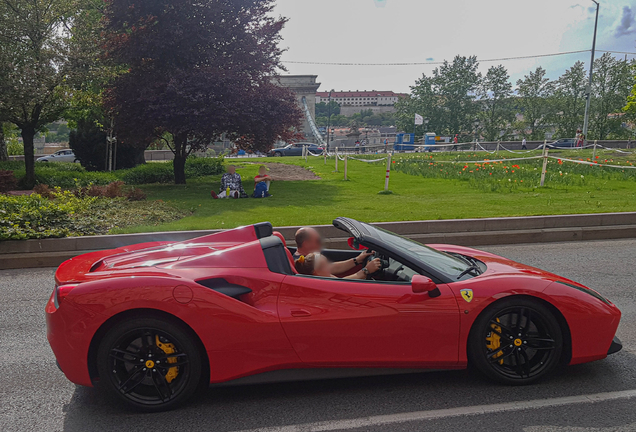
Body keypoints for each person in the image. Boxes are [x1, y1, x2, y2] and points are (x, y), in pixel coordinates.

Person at [294, 227, 374, 275]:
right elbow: (341, 284)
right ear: (306, 244)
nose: (321, 243)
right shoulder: (307, 265)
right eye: (318, 241)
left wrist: (357, 259)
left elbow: (333, 267)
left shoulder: (309, 259)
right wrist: (365, 271)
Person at [295, 252, 382, 280]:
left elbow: (336, 267)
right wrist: (366, 270)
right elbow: (344, 283)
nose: (330, 265)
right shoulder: (324, 283)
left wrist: (357, 259)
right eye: (325, 264)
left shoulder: (323, 274)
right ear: (316, 272)